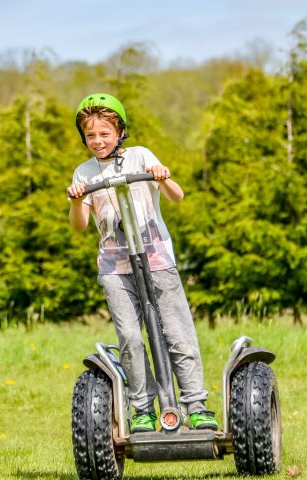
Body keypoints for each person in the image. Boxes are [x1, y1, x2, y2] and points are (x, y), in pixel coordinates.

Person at [67, 93, 218, 433]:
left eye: (104, 133)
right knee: (131, 339)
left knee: (178, 333)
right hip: (114, 268)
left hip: (157, 259)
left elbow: (177, 196)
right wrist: (77, 201)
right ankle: (143, 409)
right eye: (91, 135)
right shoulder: (84, 172)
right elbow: (78, 226)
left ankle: (195, 404)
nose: (97, 141)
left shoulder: (141, 156)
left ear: (120, 131)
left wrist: (161, 177)